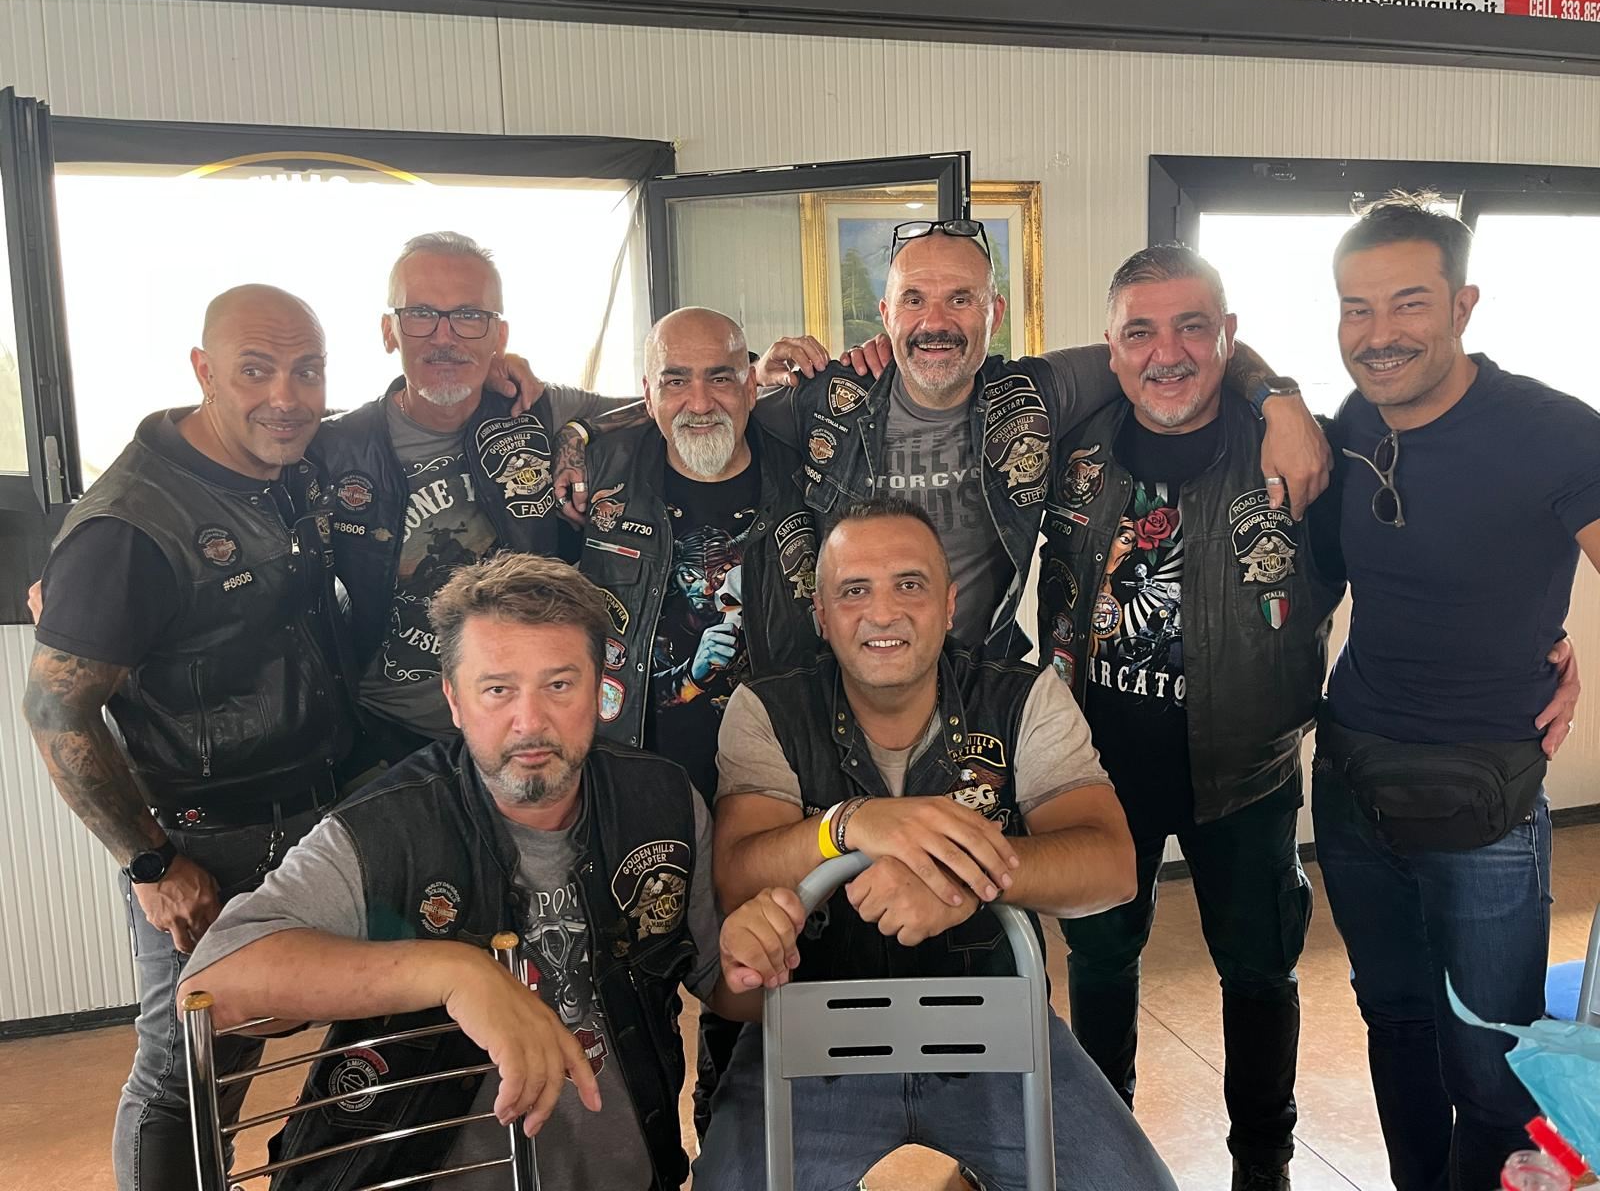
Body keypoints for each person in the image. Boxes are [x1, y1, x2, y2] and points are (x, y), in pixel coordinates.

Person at [179, 552, 809, 1191]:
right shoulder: (386, 827)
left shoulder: (662, 802)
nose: (529, 722)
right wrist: (456, 974)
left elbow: (724, 986)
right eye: (497, 690)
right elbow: (213, 986)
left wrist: (752, 960)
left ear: (601, 690)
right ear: (454, 700)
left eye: (559, 685)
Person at [551, 219, 1333, 658]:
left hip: (982, 679)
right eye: (915, 300)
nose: (936, 322)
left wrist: (1279, 398)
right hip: (847, 681)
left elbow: (1173, 350)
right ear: (885, 315)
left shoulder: (1038, 392)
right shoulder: (823, 402)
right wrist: (581, 433)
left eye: (961, 299)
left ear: (994, 315)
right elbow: (694, 397)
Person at [695, 496, 1178, 1191]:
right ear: (821, 615)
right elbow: (737, 875)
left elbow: (1112, 865)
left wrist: (959, 878)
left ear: (950, 605)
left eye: (910, 585)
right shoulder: (768, 706)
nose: (883, 613)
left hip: (991, 1029)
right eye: (854, 591)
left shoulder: (1024, 697)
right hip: (814, 1035)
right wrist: (851, 824)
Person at [21, 285, 354, 1191]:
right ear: (203, 370)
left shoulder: (289, 463)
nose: (286, 395)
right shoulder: (131, 524)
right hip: (208, 839)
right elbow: (55, 712)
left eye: (307, 371)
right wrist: (151, 864)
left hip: (323, 810)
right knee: (189, 1079)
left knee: (369, 1017)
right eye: (256, 370)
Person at [1038, 244, 1346, 1191]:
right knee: (1100, 970)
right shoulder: (1071, 446)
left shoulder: (1297, 453)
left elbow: (1407, 575)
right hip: (1095, 776)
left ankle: (1264, 1163)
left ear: (1228, 336)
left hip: (1246, 776)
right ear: (1111, 346)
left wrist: (1536, 642)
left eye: (1192, 327)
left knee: (1259, 974)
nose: (1166, 352)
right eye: (1140, 331)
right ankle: (1108, 1159)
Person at [1313, 192, 1600, 1191]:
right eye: (1356, 308)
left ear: (1462, 305)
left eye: (1408, 303)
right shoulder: (1353, 420)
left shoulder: (1555, 431)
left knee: (1490, 1060)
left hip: (1486, 803)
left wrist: (1559, 649)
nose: (1378, 333)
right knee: (1392, 1018)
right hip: (1351, 775)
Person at [577, 306, 822, 1135]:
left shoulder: (808, 481)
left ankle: (734, 1148)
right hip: (636, 778)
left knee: (754, 981)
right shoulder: (605, 473)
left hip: (768, 782)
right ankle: (649, 1154)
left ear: (752, 384)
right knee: (632, 986)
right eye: (675, 380)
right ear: (646, 393)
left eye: (721, 375)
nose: (700, 400)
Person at [311, 231, 613, 767]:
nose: (444, 337)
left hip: (530, 725)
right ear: (389, 331)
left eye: (469, 316)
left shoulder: (537, 410)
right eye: (421, 314)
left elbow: (667, 402)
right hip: (389, 735)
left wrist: (576, 435)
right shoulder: (333, 448)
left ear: (499, 334)